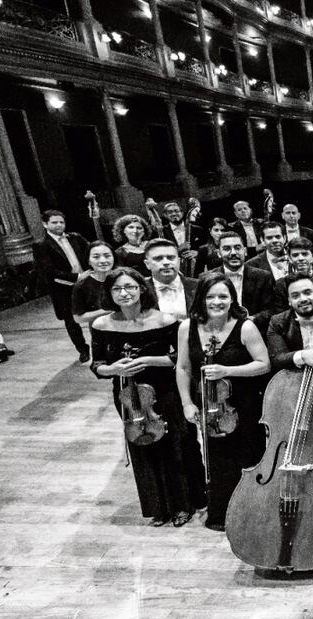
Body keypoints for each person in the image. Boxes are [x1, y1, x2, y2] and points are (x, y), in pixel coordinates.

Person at [90, 267, 205, 527]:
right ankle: (159, 507)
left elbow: (181, 359)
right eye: (117, 288)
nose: (124, 293)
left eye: (130, 286)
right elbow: (97, 364)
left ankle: (183, 504)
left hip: (166, 390)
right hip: (128, 395)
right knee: (143, 447)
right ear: (109, 293)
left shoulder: (165, 320)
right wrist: (112, 369)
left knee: (175, 446)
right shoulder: (101, 324)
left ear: (142, 288)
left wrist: (150, 360)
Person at [176, 274, 270, 530]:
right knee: (217, 459)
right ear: (201, 299)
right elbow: (183, 368)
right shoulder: (187, 328)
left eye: (223, 296)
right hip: (210, 405)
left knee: (248, 457)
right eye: (210, 296)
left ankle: (251, 514)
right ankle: (222, 514)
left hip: (244, 404)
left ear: (232, 299)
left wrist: (227, 371)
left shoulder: (245, 327)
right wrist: (187, 402)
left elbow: (263, 365)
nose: (217, 301)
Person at [33, 210, 90, 362]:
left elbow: (91, 252)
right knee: (71, 321)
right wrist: (77, 277)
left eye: (61, 222)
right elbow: (48, 270)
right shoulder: (41, 245)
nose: (59, 225)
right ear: (45, 224)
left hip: (87, 283)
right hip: (63, 289)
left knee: (96, 314)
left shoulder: (76, 237)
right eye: (54, 222)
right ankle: (83, 349)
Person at [206, 232, 276, 331]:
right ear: (218, 253)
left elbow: (271, 309)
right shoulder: (207, 279)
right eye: (227, 249)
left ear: (245, 251)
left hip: (255, 331)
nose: (233, 252)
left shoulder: (263, 276)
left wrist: (251, 320)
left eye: (238, 248)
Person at [145, 239, 197, 320]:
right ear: (147, 264)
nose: (166, 262)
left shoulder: (198, 286)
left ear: (179, 261)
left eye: (171, 258)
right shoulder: (140, 289)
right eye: (158, 258)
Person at [72, 241, 116, 327]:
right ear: (88, 261)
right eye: (96, 257)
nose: (103, 260)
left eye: (107, 256)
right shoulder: (82, 284)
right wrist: (108, 311)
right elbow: (78, 318)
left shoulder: (124, 277)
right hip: (101, 331)